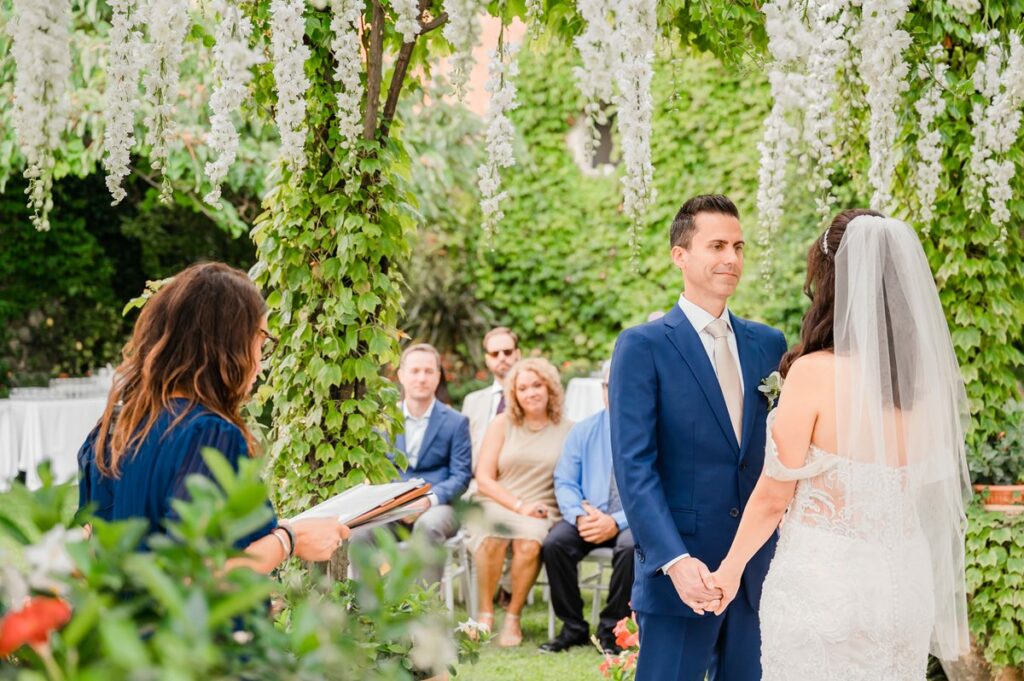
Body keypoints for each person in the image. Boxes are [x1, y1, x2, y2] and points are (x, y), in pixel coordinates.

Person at [710, 210, 972, 678]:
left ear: (830, 282)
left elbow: (773, 497)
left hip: (825, 585)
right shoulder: (927, 387)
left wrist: (729, 571)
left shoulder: (814, 373)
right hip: (903, 588)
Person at [609, 194, 787, 681]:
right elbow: (634, 468)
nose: (732, 258)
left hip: (756, 572)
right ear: (680, 255)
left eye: (738, 246)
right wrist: (674, 561)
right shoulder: (642, 347)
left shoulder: (769, 344)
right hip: (682, 575)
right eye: (716, 246)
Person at [77, 262, 348, 574]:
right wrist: (289, 541)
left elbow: (91, 553)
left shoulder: (112, 430)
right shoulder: (208, 435)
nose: (260, 363)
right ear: (230, 343)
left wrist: (276, 532)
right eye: (262, 341)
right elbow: (196, 580)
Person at [470, 357, 573, 647]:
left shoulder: (569, 429)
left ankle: (513, 616)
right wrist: (517, 505)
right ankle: (485, 614)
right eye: (523, 388)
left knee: (528, 542)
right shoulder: (502, 424)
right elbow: (484, 479)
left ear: (550, 387)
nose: (531, 393)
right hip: (498, 500)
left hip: (543, 506)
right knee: (492, 536)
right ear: (514, 394)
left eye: (537, 385)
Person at [350, 343, 472, 583]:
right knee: (360, 534)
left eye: (428, 371)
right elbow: (377, 471)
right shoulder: (383, 421)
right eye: (415, 371)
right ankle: (366, 612)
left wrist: (428, 501)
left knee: (428, 527)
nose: (422, 378)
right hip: (392, 510)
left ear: (438, 376)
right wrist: (397, 504)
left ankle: (422, 612)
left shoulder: (457, 422)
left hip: (438, 508)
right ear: (402, 376)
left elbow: (461, 476)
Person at [540, 360, 634, 654]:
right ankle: (574, 628)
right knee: (555, 543)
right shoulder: (583, 431)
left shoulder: (653, 431)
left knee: (632, 548)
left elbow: (659, 489)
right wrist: (580, 516)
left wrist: (616, 521)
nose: (616, 392)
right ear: (602, 389)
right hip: (588, 514)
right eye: (610, 386)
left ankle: (610, 631)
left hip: (631, 520)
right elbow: (565, 480)